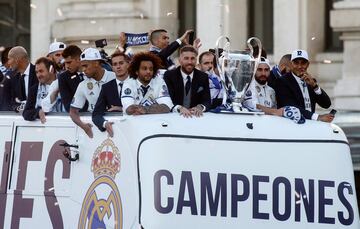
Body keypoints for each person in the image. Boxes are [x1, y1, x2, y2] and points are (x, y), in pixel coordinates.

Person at [276, 49, 333, 122]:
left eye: (303, 63)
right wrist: (317, 117)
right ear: (291, 64)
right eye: (296, 63)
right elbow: (291, 107)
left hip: (309, 125)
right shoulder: (282, 81)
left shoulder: (311, 81)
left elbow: (326, 104)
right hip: (292, 125)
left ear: (308, 64)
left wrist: (315, 86)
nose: (299, 66)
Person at [70, 48, 115, 138]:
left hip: (116, 126)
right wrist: (84, 126)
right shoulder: (82, 85)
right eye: (82, 66)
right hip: (95, 128)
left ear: (96, 63)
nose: (83, 70)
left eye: (86, 66)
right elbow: (73, 111)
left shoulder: (114, 77)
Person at [164, 45, 211, 118]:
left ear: (196, 60)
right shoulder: (169, 76)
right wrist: (179, 108)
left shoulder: (203, 77)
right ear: (180, 60)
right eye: (186, 58)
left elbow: (207, 100)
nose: (190, 62)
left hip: (195, 118)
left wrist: (200, 107)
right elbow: (167, 99)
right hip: (174, 117)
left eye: (193, 58)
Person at [92, 52, 130, 136]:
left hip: (135, 128)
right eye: (115, 64)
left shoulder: (137, 83)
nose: (118, 67)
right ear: (112, 67)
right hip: (116, 132)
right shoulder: (106, 87)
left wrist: (121, 109)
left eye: (121, 63)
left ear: (128, 64)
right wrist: (104, 123)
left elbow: (144, 108)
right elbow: (96, 114)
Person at [22, 57, 56, 122]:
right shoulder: (34, 89)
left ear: (51, 70)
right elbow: (26, 113)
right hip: (43, 127)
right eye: (36, 72)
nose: (38, 75)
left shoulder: (64, 84)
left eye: (41, 71)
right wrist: (38, 112)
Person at [7, 46, 38, 111]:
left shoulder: (38, 73)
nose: (8, 63)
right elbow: (13, 102)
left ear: (17, 60)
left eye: (9, 59)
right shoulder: (13, 78)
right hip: (20, 119)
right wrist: (18, 108)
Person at [58, 45, 86, 112]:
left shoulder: (92, 72)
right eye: (65, 63)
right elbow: (68, 105)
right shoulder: (63, 78)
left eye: (69, 62)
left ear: (79, 59)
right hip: (78, 117)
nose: (67, 66)